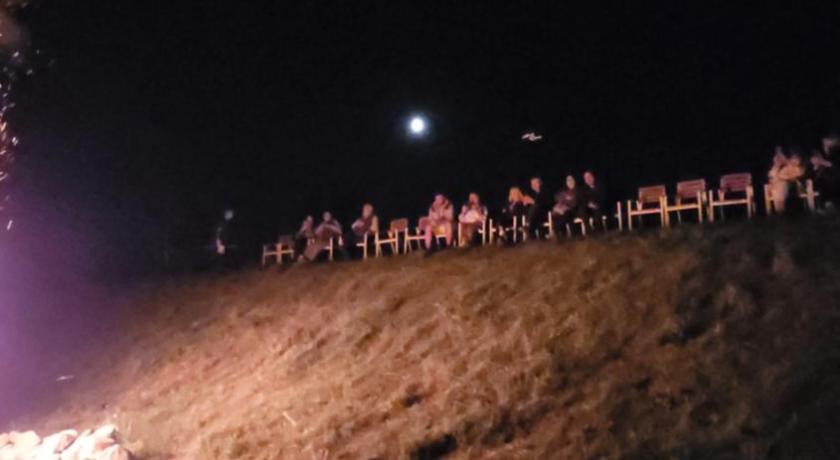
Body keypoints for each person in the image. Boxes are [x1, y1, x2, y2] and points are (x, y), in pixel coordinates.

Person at [768, 147, 790, 213]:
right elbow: (771, 178)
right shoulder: (773, 169)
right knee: (777, 188)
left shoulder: (786, 167)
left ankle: (783, 210)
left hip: (783, 185)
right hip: (775, 187)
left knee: (782, 185)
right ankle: (779, 210)